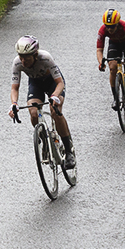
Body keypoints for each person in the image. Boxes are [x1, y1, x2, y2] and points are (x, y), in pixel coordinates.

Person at [9, 35, 76, 169]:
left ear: (35, 55)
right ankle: (46, 142)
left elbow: (60, 83)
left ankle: (69, 151)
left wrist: (55, 96)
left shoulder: (46, 58)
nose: (23, 61)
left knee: (55, 111)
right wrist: (14, 104)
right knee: (33, 112)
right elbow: (14, 87)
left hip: (53, 83)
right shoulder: (17, 63)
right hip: (36, 84)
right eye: (21, 56)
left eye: (26, 57)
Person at [96, 8, 125, 107]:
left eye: (112, 27)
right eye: (108, 26)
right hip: (115, 44)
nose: (109, 29)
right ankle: (115, 98)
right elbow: (99, 50)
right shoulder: (102, 30)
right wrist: (101, 62)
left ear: (117, 24)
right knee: (112, 67)